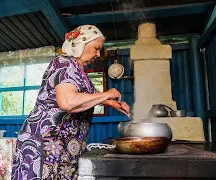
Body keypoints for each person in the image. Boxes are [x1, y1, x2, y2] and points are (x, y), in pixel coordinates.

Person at [11, 25, 130, 180]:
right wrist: (107, 93)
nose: (98, 54)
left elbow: (89, 97)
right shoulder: (64, 63)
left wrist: (112, 102)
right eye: (96, 48)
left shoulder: (79, 71)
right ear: (82, 43)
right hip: (47, 143)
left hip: (63, 146)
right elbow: (68, 102)